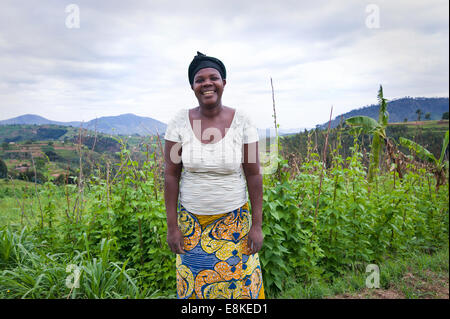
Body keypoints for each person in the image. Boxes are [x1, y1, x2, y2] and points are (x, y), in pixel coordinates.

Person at [163, 52, 265, 299]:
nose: (207, 83)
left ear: (224, 83)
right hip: (191, 227)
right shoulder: (179, 121)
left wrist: (257, 225)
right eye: (200, 80)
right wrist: (173, 227)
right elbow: (171, 176)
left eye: (213, 78)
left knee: (240, 290)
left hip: (235, 225)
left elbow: (253, 175)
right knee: (197, 291)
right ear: (192, 86)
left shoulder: (242, 121)